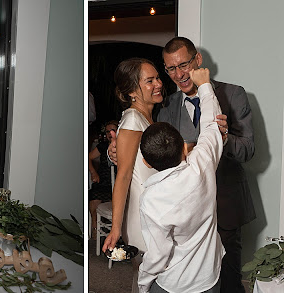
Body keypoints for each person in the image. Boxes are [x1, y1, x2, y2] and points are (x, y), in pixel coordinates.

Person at [109, 37, 254, 292]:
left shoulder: (233, 94)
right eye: (171, 69)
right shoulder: (166, 107)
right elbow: (153, 150)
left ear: (197, 60)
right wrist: (118, 151)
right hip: (178, 217)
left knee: (229, 281)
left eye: (184, 65)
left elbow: (249, 150)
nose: (178, 74)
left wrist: (225, 139)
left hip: (226, 207)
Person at [137, 68, 224, 293]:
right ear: (185, 148)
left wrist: (143, 283)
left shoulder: (151, 199)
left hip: (173, 284)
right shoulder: (201, 164)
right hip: (209, 277)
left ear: (147, 163)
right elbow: (211, 126)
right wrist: (204, 84)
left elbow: (158, 254)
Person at [101, 58, 163, 293]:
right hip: (142, 214)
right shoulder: (132, 120)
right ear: (131, 92)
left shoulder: (148, 117)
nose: (158, 84)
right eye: (149, 81)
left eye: (157, 78)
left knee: (149, 278)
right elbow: (123, 176)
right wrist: (116, 228)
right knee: (150, 276)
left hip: (156, 209)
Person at [88, 120, 118, 239]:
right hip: (104, 180)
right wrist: (93, 172)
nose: (110, 133)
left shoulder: (125, 145)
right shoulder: (103, 146)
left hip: (118, 182)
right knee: (95, 199)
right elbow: (87, 157)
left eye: (113, 130)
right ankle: (95, 229)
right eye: (107, 131)